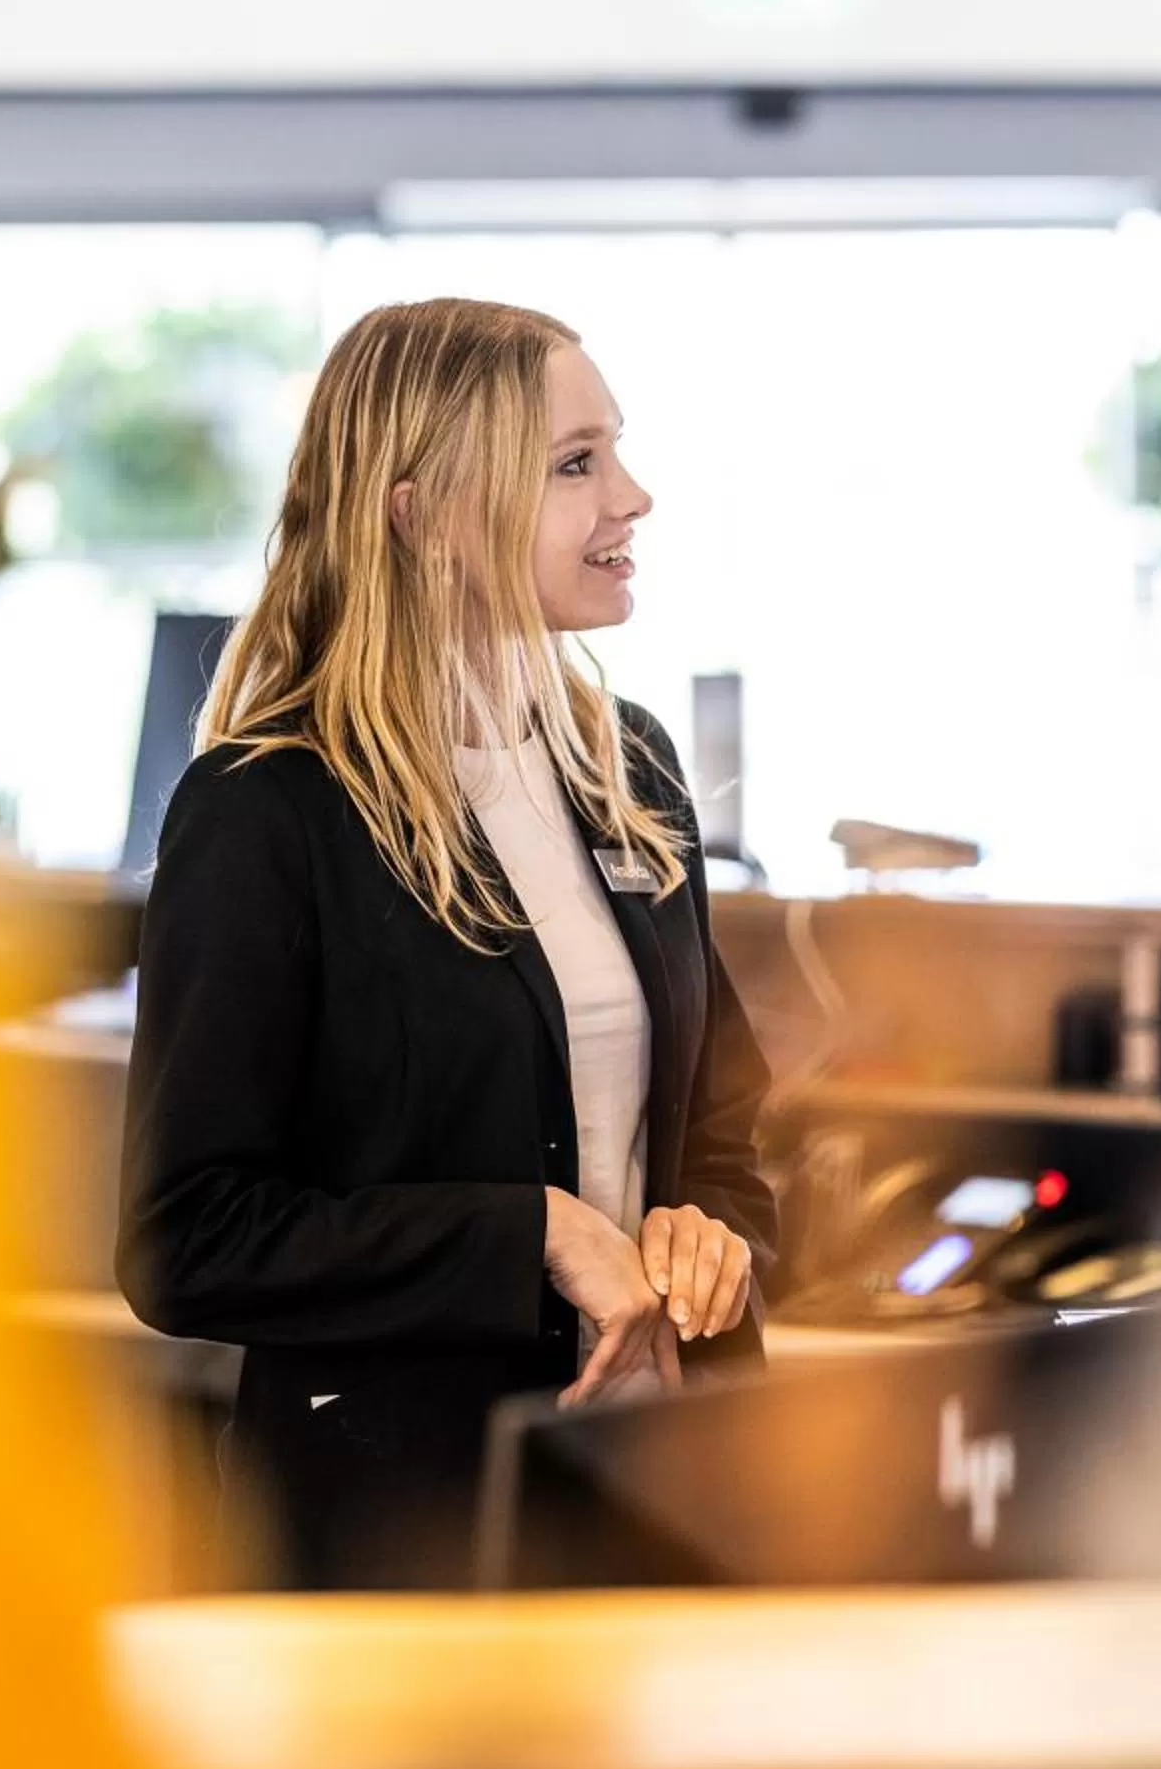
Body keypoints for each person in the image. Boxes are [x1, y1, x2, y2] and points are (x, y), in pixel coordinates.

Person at [118, 299, 774, 1588]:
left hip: (670, 1489)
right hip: (408, 1529)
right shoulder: (271, 808)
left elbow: (731, 1126)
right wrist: (531, 1230)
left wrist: (714, 1231)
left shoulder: (626, 760)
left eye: (616, 450)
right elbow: (186, 1238)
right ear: (422, 515)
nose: (631, 496)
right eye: (574, 464)